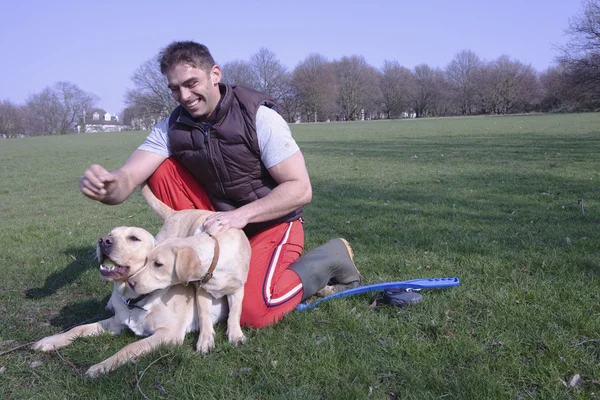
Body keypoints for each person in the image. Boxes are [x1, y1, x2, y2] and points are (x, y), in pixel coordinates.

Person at [79, 41, 360, 328]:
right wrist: (110, 185)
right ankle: (192, 268)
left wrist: (240, 216)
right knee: (160, 170)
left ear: (215, 74)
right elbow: (129, 177)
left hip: (272, 222)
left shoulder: (258, 116)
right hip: (217, 224)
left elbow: (300, 189)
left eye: (191, 83)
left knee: (254, 312)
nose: (184, 96)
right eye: (175, 89)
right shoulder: (171, 127)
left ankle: (330, 257)